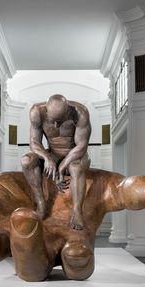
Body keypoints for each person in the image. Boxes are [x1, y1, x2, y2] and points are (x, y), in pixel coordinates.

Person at [21, 94, 91, 230]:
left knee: (75, 167)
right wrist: (47, 158)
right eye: (53, 120)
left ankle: (77, 212)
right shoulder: (36, 112)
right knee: (26, 160)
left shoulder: (80, 112)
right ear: (46, 111)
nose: (56, 125)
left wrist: (62, 166)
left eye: (61, 120)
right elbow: (34, 142)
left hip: (75, 155)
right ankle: (41, 202)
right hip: (51, 154)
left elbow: (81, 146)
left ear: (68, 111)